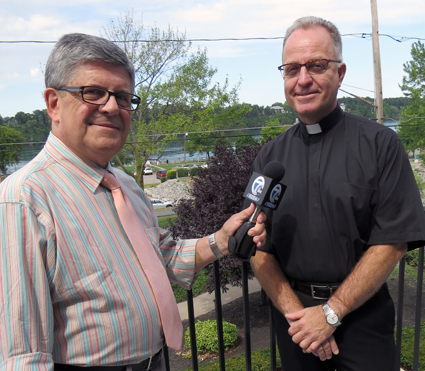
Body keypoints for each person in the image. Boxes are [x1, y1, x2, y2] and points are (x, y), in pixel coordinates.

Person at [0, 33, 266, 370]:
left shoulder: (124, 186)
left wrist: (220, 241)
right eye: (93, 92)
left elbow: (161, 256)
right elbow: (22, 353)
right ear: (53, 103)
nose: (112, 106)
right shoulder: (23, 199)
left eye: (123, 97)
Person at [249, 16, 425, 371]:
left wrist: (331, 313)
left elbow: (393, 242)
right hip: (295, 325)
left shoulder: (380, 145)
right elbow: (257, 246)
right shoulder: (270, 157)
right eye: (291, 69)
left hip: (363, 321)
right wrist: (302, 318)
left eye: (316, 65)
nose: (303, 80)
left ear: (340, 73)